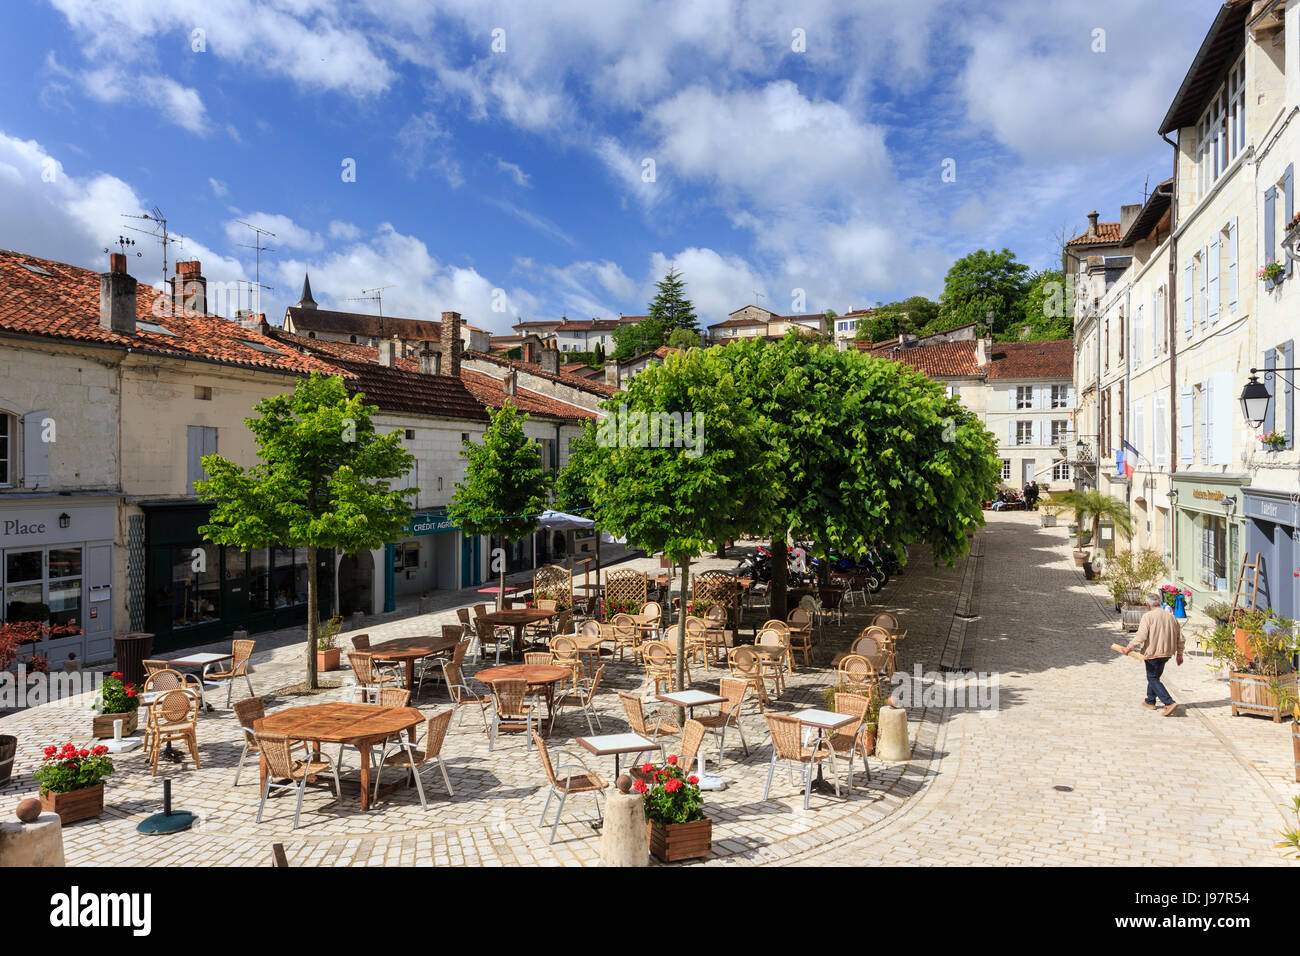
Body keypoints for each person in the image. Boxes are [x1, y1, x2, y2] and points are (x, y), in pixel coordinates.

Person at [1120, 591, 1184, 716]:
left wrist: (1129, 647)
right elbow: (1180, 638)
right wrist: (1179, 654)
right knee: (1155, 677)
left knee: (1152, 678)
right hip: (1167, 653)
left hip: (1152, 653)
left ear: (1147, 604)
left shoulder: (1147, 617)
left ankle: (1169, 702)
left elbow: (1141, 636)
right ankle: (1150, 701)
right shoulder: (1171, 617)